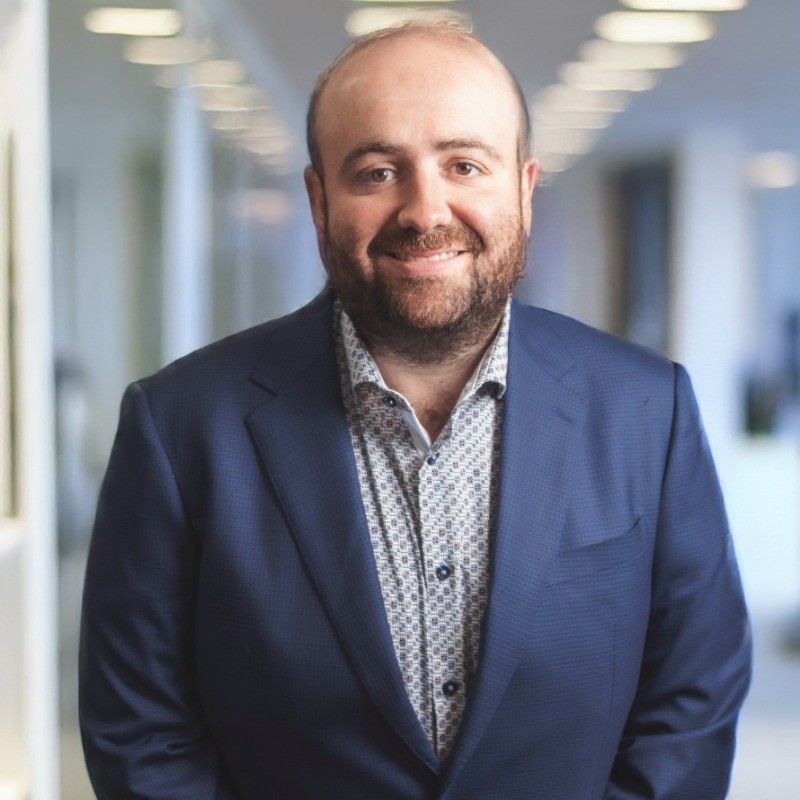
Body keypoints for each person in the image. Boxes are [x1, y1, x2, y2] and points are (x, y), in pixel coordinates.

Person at [79, 20, 752, 800]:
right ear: (318, 197)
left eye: (464, 164)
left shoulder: (647, 409)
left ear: (524, 190)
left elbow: (691, 704)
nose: (424, 210)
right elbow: (141, 733)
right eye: (376, 172)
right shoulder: (180, 427)